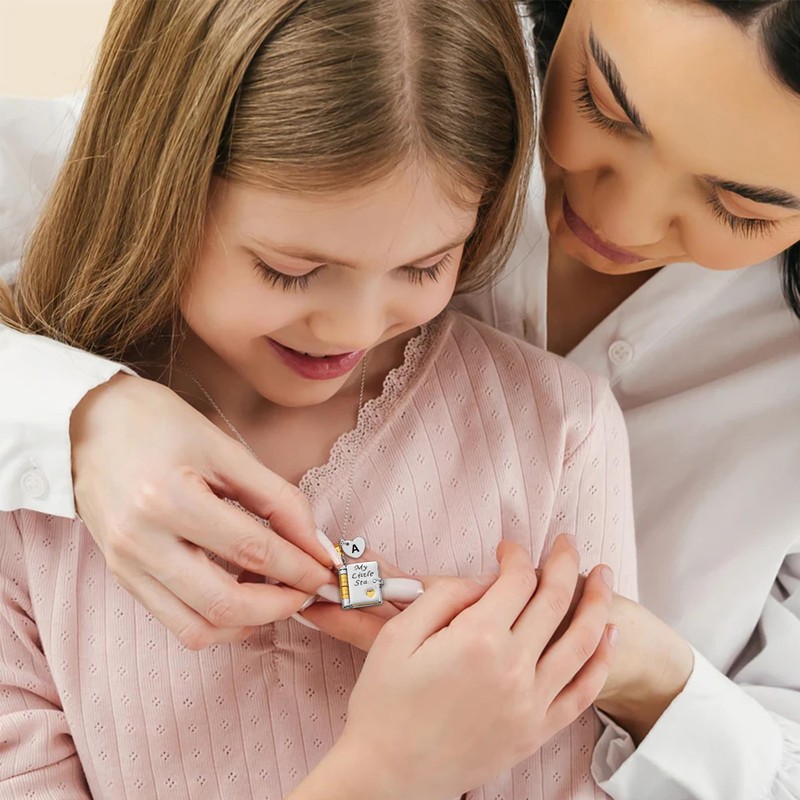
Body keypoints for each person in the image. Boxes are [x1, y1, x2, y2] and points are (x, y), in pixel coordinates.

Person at [2, 0, 799, 797]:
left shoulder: (566, 428)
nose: (619, 217)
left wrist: (650, 677)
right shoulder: (355, 66)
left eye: (743, 207)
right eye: (603, 105)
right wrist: (84, 417)